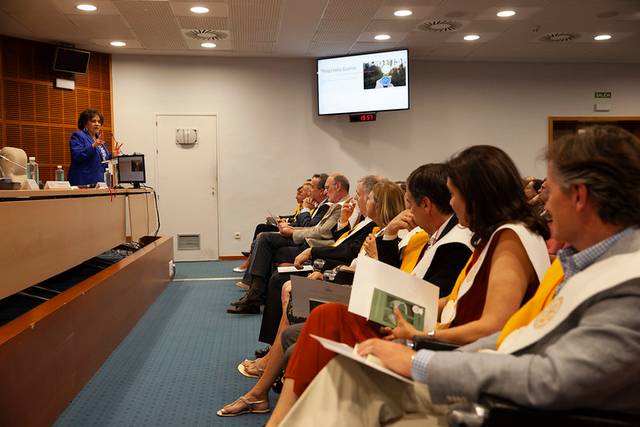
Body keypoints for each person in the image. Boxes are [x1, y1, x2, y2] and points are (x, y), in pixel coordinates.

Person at [277, 125, 640, 426]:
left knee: (351, 375)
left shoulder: (626, 282)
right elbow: (516, 337)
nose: (545, 203)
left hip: (504, 405)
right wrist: (420, 349)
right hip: (483, 372)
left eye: (552, 190)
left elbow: (547, 376)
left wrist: (421, 353)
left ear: (578, 196)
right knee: (351, 373)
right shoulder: (583, 261)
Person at [266, 150, 551, 424]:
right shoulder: (496, 236)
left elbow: (493, 326)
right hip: (441, 333)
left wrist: (421, 331)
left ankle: (279, 417)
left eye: (454, 194)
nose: (450, 203)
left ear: (476, 195)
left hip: (451, 350)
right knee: (327, 317)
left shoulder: (510, 239)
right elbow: (455, 300)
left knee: (329, 323)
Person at [216, 180, 405, 417]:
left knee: (288, 288)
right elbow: (344, 246)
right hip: (342, 277)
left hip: (351, 287)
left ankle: (263, 381)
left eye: (362, 197)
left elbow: (351, 256)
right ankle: (265, 371)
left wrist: (327, 265)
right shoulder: (374, 228)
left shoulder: (385, 233)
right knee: (286, 286)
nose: (357, 202)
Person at [68, 109, 120, 186]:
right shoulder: (78, 136)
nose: (97, 124)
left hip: (100, 181)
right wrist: (93, 146)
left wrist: (112, 155)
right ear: (85, 123)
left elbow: (102, 160)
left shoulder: (98, 140)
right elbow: (77, 156)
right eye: (93, 121)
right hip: (83, 181)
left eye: (99, 122)